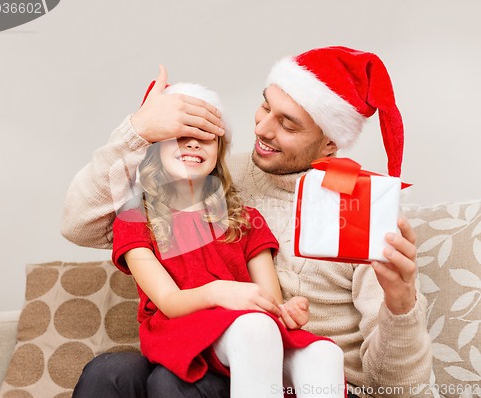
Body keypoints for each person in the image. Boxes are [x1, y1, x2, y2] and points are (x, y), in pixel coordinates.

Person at [64, 46, 432, 398]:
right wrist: (138, 130)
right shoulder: (212, 177)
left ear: (329, 144)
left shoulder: (361, 211)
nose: (262, 129)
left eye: (287, 124)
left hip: (295, 370)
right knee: (108, 373)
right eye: (265, 106)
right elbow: (79, 225)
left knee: (174, 383)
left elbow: (401, 389)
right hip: (206, 343)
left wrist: (400, 306)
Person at [109, 81, 346, 398]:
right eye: (181, 136)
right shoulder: (135, 220)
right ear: (154, 150)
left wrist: (285, 311)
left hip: (249, 329)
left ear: (218, 150)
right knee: (255, 328)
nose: (194, 144)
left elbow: (268, 300)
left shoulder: (246, 218)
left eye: (206, 138)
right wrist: (220, 292)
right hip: (182, 328)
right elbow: (169, 302)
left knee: (324, 353)